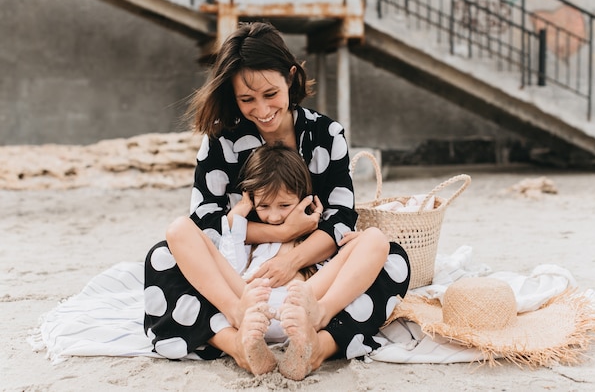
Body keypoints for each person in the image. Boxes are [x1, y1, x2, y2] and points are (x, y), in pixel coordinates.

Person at [143, 22, 410, 380]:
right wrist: (282, 232)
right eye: (246, 99)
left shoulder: (326, 135)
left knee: (390, 256)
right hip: (241, 281)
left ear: (291, 77)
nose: (262, 109)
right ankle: (237, 337)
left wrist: (293, 257)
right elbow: (205, 219)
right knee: (165, 254)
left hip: (312, 274)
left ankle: (318, 342)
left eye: (271, 93)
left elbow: (342, 218)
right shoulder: (221, 140)